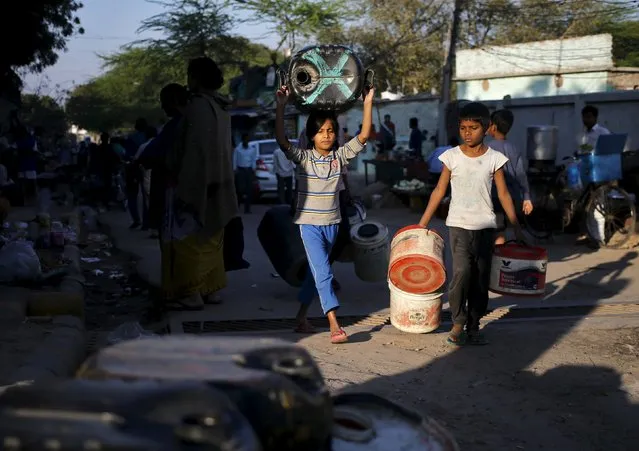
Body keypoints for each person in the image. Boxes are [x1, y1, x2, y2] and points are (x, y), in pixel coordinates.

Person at [417, 102, 525, 346]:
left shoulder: (495, 159)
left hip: (486, 226)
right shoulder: (451, 156)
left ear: (486, 129)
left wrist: (516, 226)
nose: (467, 132)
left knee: (480, 278)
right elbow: (439, 191)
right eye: (463, 127)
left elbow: (504, 194)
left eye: (473, 128)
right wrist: (422, 223)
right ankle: (457, 322)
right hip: (458, 225)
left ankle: (474, 325)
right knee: (462, 272)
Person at [275, 81, 374, 344]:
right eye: (320, 131)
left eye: (330, 130)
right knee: (324, 273)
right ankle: (334, 325)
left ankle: (300, 318)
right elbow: (282, 140)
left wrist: (367, 103)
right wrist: (281, 106)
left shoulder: (339, 158)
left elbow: (363, 135)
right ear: (311, 136)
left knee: (317, 273)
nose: (326, 135)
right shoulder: (303, 158)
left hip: (333, 223)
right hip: (308, 225)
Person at [162, 56, 238, 311]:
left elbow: (189, 152)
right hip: (222, 183)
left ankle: (191, 293)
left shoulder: (196, 108)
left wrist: (179, 176)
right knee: (213, 238)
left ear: (195, 76)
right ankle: (211, 289)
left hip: (197, 185)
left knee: (188, 241)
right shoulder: (221, 107)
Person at [138, 83, 189, 238]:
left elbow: (149, 156)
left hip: (174, 191)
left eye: (164, 101)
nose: (162, 106)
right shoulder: (182, 123)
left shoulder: (176, 125)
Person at [487, 109, 533, 245]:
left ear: (493, 127)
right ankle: (502, 259)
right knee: (503, 229)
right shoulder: (514, 148)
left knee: (496, 231)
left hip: (493, 196)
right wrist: (527, 197)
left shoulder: (487, 148)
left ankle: (495, 258)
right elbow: (520, 174)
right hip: (512, 197)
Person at [232, 133, 257, 214]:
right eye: (245, 139)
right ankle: (237, 207)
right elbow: (234, 159)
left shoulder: (252, 149)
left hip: (249, 170)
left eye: (248, 140)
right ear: (243, 140)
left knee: (249, 190)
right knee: (240, 189)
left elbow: (253, 159)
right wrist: (234, 169)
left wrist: (253, 169)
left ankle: (247, 209)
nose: (246, 141)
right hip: (241, 170)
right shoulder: (238, 149)